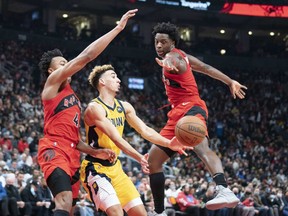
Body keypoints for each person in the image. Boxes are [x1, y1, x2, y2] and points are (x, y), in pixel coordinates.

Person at [37, 9, 138, 216]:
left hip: (72, 152)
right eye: (62, 63)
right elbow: (86, 56)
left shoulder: (73, 97)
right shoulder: (52, 83)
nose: (67, 65)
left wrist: (94, 152)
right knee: (63, 200)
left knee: (71, 208)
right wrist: (118, 28)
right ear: (51, 70)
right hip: (54, 150)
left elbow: (73, 139)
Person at [148, 22, 248, 215]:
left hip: (192, 108)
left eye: (163, 42)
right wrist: (230, 81)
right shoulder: (184, 55)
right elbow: (206, 67)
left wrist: (168, 63)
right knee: (153, 161)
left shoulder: (174, 56)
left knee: (201, 148)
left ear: (173, 43)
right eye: (156, 42)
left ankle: (223, 189)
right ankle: (159, 212)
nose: (159, 46)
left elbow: (174, 62)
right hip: (177, 113)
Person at [79, 64, 187, 216]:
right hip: (95, 168)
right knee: (116, 212)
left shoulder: (124, 106)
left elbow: (145, 130)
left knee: (140, 213)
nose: (118, 80)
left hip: (116, 169)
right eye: (113, 76)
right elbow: (117, 139)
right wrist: (140, 158)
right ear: (102, 82)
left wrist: (169, 143)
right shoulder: (94, 108)